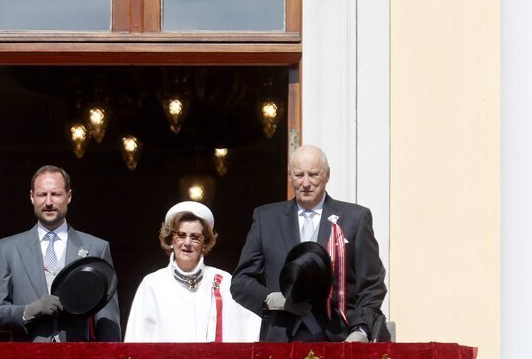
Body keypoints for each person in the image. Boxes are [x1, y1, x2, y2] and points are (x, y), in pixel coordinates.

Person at [230, 145, 387, 342]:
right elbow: (241, 283)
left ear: (327, 176)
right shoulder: (266, 219)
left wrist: (362, 330)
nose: (305, 183)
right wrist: (275, 300)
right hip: (281, 342)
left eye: (313, 174)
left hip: (339, 340)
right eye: (298, 175)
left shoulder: (355, 219)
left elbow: (372, 285)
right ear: (289, 176)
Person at [0, 165, 121, 341]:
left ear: (69, 196)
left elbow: (107, 320)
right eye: (42, 195)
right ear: (31, 197)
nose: (48, 202)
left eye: (56, 194)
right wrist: (29, 310)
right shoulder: (8, 249)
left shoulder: (96, 247)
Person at [125, 202, 261, 342]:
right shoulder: (153, 284)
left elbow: (251, 331)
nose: (188, 243)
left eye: (195, 237)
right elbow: (136, 340)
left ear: (205, 243)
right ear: (171, 240)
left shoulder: (224, 281)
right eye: (181, 235)